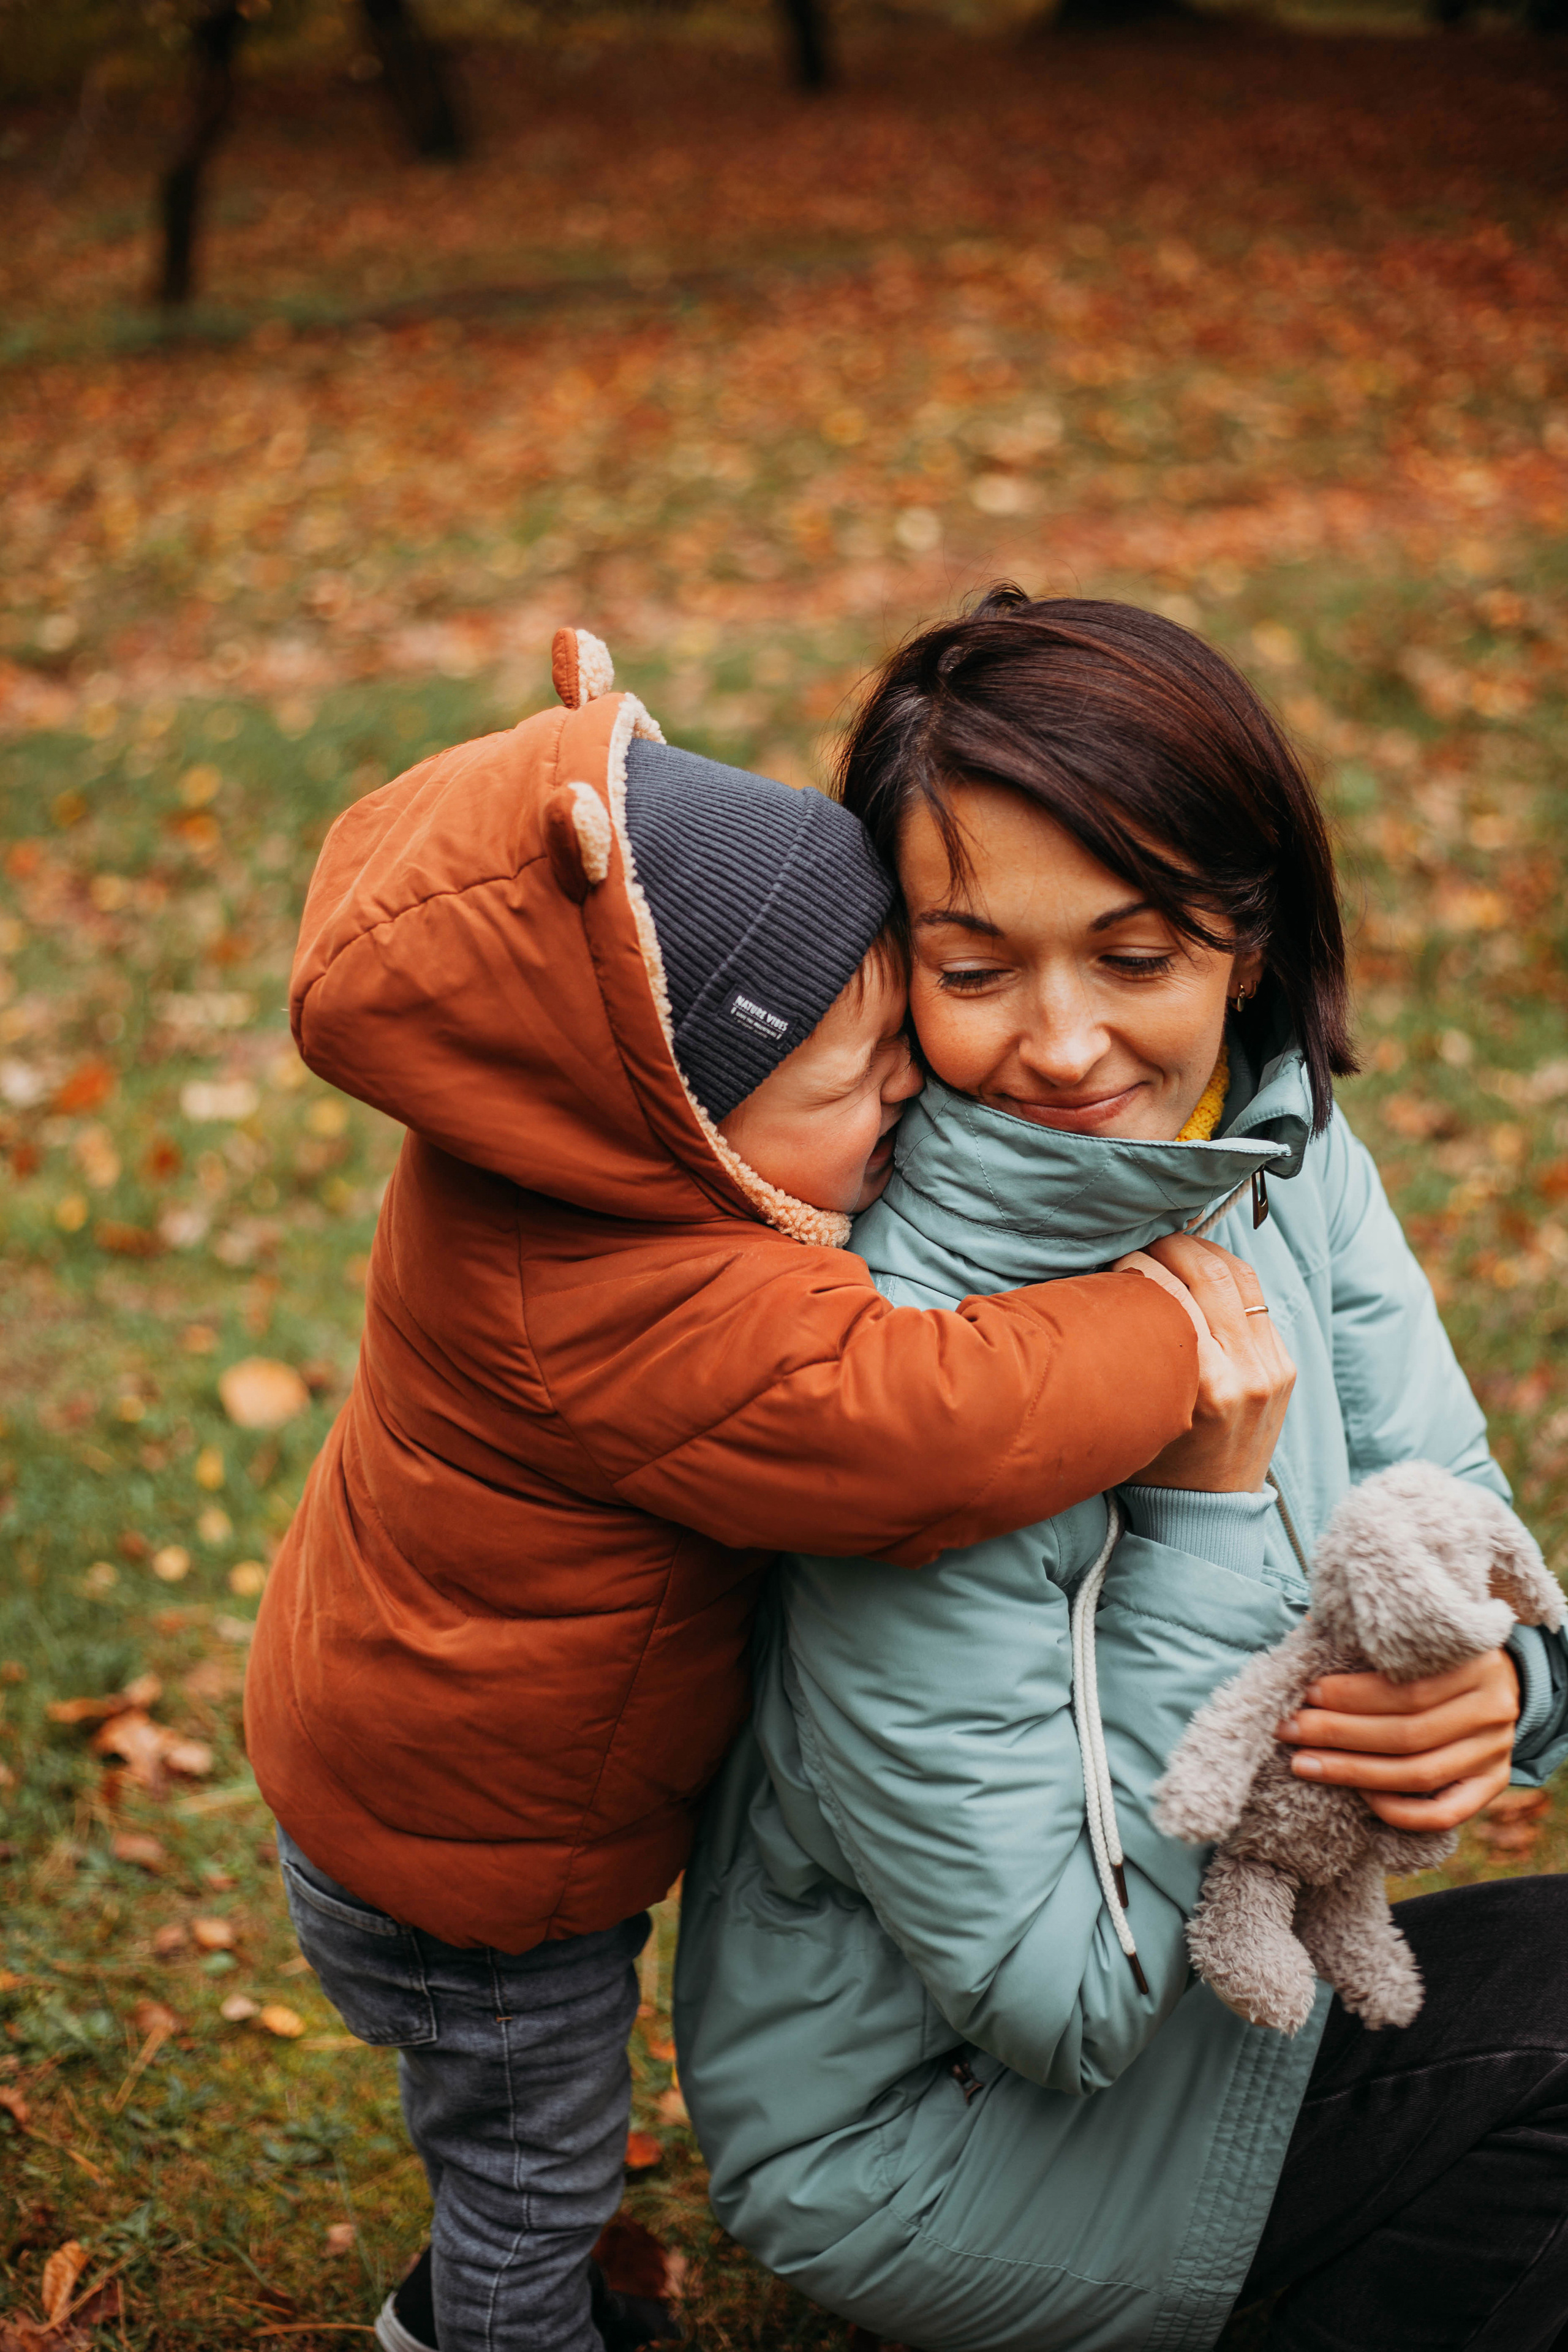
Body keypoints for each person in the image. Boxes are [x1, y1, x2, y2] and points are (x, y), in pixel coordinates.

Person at [244, 628, 1221, 2352]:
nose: (912, 1089)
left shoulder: (555, 1157)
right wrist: (1156, 1331)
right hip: (475, 1869)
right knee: (529, 2170)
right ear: (683, 1125)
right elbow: (924, 1425)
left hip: (410, 1759)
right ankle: (484, 2331)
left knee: (518, 2125)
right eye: (859, 1084)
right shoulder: (644, 1307)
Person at [675, 590, 1568, 2352]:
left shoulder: (1281, 1152)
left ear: (1249, 943)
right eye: (976, 967)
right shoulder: (890, 1355)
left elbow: (1470, 1532)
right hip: (936, 2142)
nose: (1066, 1047)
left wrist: (1505, 1685)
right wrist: (1210, 1506)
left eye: (1137, 956)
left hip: (1240, 2011)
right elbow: (1055, 2000)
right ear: (892, 963)